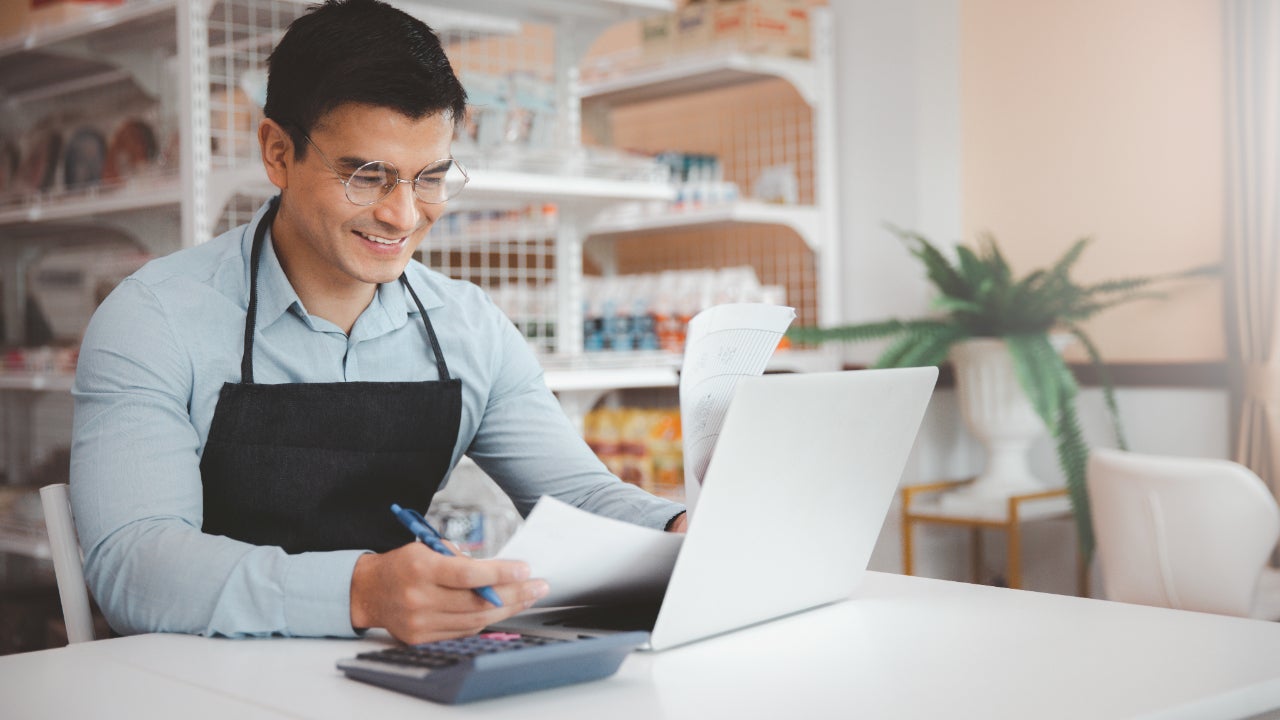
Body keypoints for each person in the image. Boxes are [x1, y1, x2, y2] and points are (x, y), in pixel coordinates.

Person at [69, 0, 686, 645]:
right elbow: (135, 566)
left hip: (395, 681)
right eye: (368, 176)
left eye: (430, 179)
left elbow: (579, 499)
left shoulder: (468, 329)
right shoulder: (155, 320)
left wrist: (678, 531)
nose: (402, 216)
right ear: (277, 153)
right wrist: (362, 592)